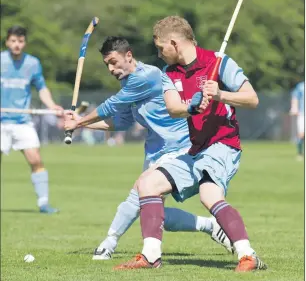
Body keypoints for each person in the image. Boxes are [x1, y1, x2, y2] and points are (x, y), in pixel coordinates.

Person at [114, 16, 267, 272]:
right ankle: (151, 256)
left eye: (161, 48)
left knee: (209, 196)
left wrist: (221, 95)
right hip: (194, 149)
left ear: (174, 43)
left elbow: (252, 99)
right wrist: (192, 105)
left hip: (223, 144)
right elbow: (174, 109)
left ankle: (248, 256)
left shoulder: (219, 62)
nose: (160, 54)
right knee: (147, 184)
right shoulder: (168, 74)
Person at [64, 36, 233, 260]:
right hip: (156, 150)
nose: (111, 69)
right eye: (107, 65)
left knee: (137, 192)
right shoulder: (127, 83)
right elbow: (121, 122)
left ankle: (108, 243)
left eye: (114, 62)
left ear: (129, 56)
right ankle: (211, 227)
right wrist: (82, 124)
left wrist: (79, 121)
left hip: (179, 146)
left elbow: (110, 106)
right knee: (151, 210)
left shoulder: (146, 76)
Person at [1, 26, 63, 214]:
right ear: (7, 42)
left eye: (20, 41)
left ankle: (43, 203)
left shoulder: (33, 64)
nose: (16, 45)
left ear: (24, 43)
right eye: (13, 41)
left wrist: (52, 106)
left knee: (35, 160)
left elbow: (41, 88)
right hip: (1, 121)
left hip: (22, 121)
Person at [290, 81, 304, 161]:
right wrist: (294, 108)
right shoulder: (301, 86)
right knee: (301, 134)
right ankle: (299, 154)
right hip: (303, 113)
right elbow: (295, 97)